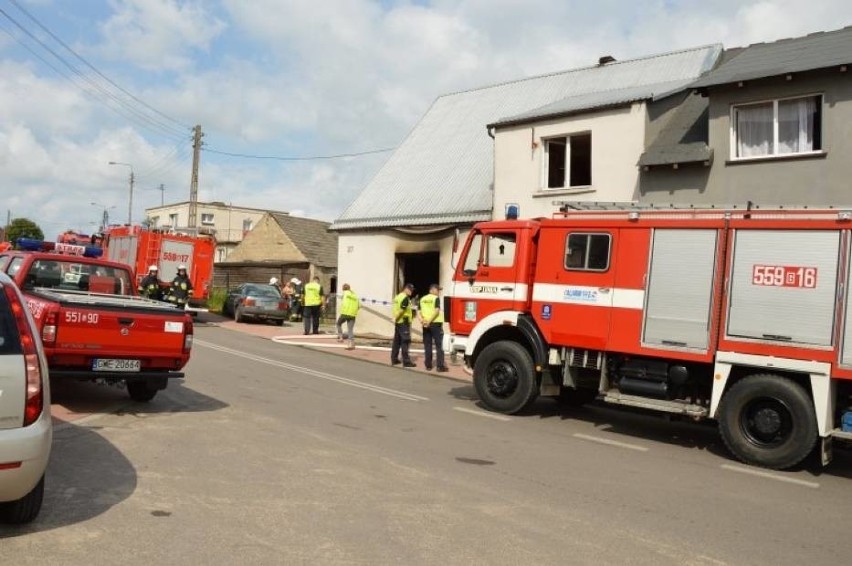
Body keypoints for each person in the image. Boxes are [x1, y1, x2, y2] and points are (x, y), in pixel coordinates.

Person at [419, 283, 449, 372]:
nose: (438, 292)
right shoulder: (436, 298)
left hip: (425, 325)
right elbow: (436, 311)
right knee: (439, 345)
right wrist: (429, 321)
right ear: (432, 290)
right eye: (437, 290)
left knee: (427, 345)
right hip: (435, 324)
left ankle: (428, 365)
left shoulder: (422, 299)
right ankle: (440, 366)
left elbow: (418, 311)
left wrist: (422, 321)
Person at [391, 283, 416, 368]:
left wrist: (395, 318)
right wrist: (395, 317)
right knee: (405, 341)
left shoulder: (397, 296)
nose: (411, 292)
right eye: (410, 290)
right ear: (405, 289)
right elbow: (401, 310)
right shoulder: (405, 298)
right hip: (403, 322)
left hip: (398, 322)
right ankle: (406, 361)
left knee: (396, 341)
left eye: (412, 290)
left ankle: (394, 359)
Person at [336, 283, 360, 350]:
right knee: (350, 329)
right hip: (353, 314)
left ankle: (341, 338)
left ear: (343, 289)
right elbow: (359, 305)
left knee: (338, 323)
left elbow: (342, 300)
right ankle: (351, 344)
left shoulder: (345, 293)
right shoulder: (355, 295)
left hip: (345, 313)